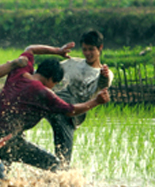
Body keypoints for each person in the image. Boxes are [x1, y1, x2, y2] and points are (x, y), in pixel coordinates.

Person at [0, 42, 110, 172]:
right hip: (8, 141)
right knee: (55, 165)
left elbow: (31, 49)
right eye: (54, 83)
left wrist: (58, 51)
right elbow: (70, 110)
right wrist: (96, 101)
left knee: (0, 175)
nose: (52, 87)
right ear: (51, 79)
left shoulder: (20, 71)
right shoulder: (42, 92)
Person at [47, 30, 113, 167]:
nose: (87, 53)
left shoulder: (104, 73)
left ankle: (60, 176)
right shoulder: (73, 64)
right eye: (84, 49)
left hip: (74, 114)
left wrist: (103, 76)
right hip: (57, 104)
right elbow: (48, 72)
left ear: (100, 48)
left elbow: (101, 86)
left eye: (91, 49)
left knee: (63, 157)